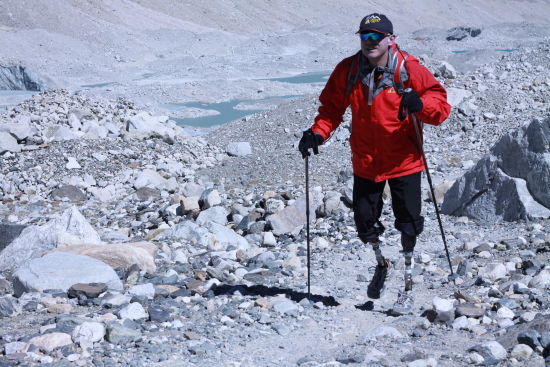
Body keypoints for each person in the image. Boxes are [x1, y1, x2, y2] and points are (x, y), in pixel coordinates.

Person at [298, 13, 450, 315]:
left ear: (390, 39)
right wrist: (317, 134)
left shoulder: (409, 69)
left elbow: (440, 106)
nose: (369, 42)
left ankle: (407, 286)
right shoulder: (348, 70)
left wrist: (420, 104)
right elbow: (331, 109)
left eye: (375, 37)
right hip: (366, 161)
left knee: (409, 224)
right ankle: (382, 263)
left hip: (405, 160)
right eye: (364, 36)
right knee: (365, 224)